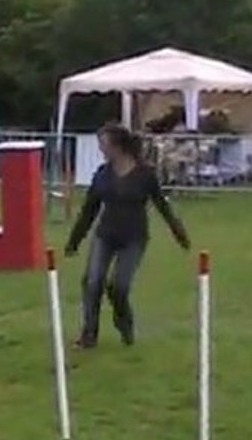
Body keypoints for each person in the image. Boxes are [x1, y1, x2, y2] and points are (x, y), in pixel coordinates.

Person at [64, 123, 192, 349]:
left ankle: (125, 324)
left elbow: (162, 206)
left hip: (134, 239)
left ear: (117, 146)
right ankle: (89, 335)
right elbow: (89, 210)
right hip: (105, 235)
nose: (101, 149)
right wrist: (74, 241)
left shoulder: (145, 175)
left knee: (118, 287)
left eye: (103, 144)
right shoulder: (102, 175)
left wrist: (179, 233)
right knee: (93, 282)